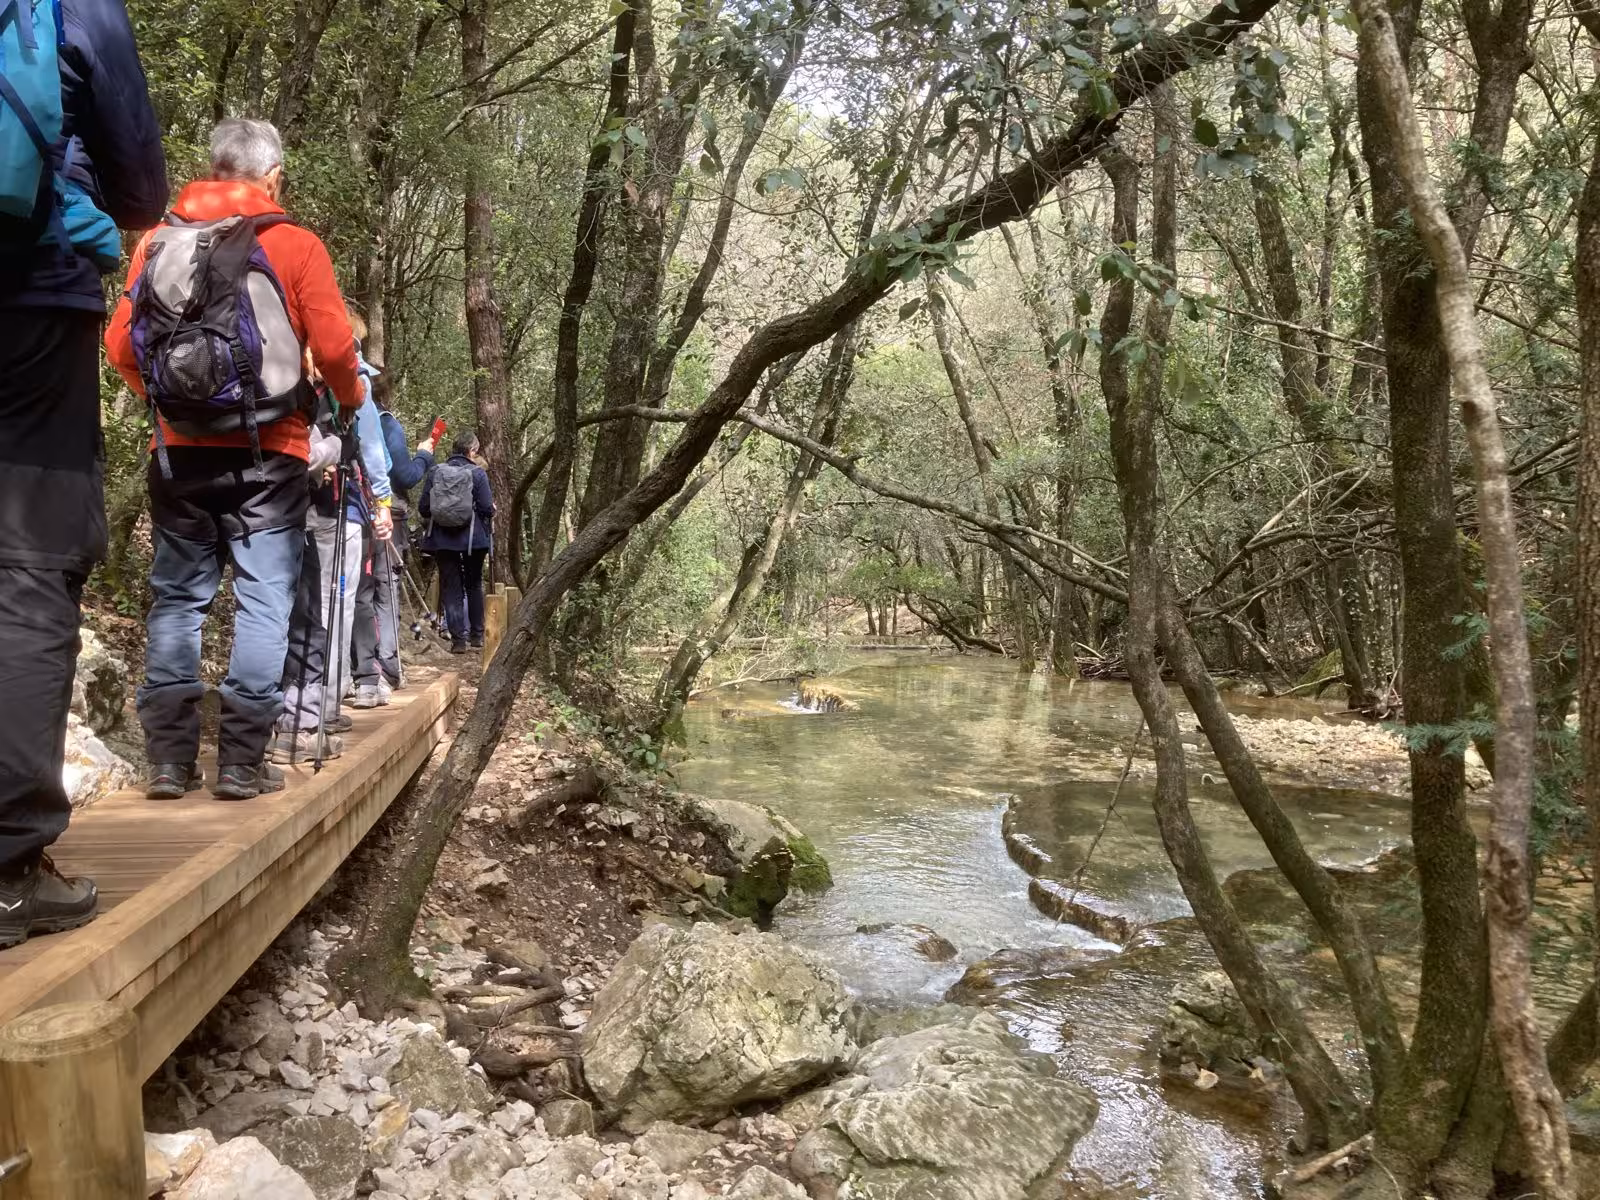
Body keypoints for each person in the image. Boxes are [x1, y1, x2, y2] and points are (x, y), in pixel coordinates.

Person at [106, 118, 362, 800]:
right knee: (263, 601)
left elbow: (121, 350)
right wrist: (351, 398)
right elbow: (336, 351)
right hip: (270, 455)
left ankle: (168, 761)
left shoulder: (158, 244)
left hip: (179, 456)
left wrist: (167, 410)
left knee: (178, 601)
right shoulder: (297, 246)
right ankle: (242, 764)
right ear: (272, 176)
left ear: (213, 171)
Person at [0, 0, 166, 949]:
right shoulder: (77, 7)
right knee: (26, 566)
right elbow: (139, 182)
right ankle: (11, 867)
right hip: (29, 299)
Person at [352, 371, 432, 700]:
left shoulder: (342, 412)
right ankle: (386, 665)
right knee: (386, 587)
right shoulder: (383, 421)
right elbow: (406, 474)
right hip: (388, 514)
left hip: (353, 511)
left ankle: (358, 666)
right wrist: (425, 455)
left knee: (358, 590)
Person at [419, 431, 494, 654]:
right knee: (473, 584)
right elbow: (487, 508)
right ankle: (477, 636)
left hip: (443, 539)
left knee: (451, 586)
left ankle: (458, 641)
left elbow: (424, 507)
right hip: (473, 539)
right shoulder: (478, 474)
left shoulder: (435, 472)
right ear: (471, 451)